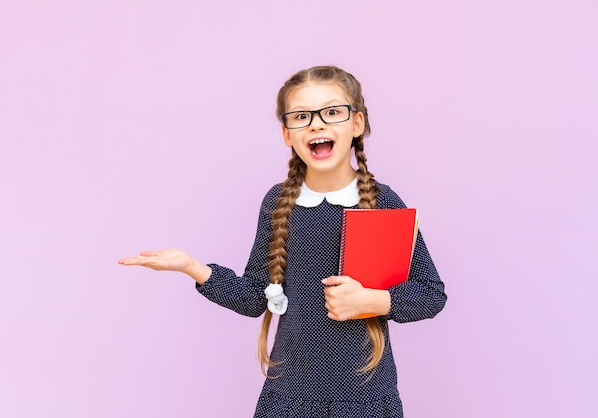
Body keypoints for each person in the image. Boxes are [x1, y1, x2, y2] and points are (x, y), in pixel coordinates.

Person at [118, 65, 447, 417]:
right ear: (287, 134)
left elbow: (430, 294)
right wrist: (192, 267)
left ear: (357, 124)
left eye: (332, 112)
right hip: (288, 400)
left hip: (363, 402)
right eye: (302, 116)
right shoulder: (278, 203)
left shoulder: (384, 202)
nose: (317, 124)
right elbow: (254, 297)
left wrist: (373, 300)